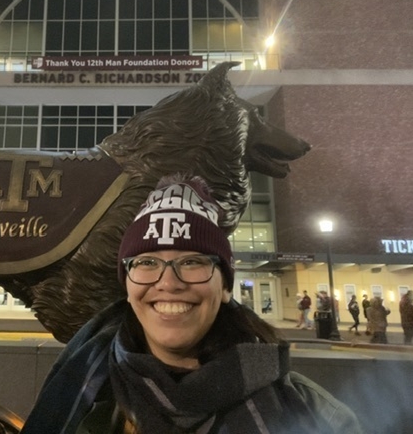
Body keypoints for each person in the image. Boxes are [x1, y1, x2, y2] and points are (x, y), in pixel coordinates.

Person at [21, 174, 362, 434]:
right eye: (147, 262)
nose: (169, 283)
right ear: (127, 285)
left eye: (192, 262)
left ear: (225, 286)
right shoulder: (82, 394)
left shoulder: (318, 417)